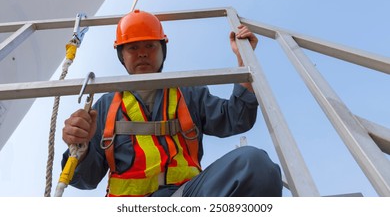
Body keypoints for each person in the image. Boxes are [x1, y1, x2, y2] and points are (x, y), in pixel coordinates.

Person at [62, 10, 282, 197]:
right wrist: (81, 145)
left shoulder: (187, 92)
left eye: (149, 46)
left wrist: (243, 60)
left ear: (162, 50)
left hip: (187, 198)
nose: (142, 54)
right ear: (122, 55)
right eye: (133, 48)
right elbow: (86, 180)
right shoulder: (105, 105)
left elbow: (236, 118)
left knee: (255, 164)